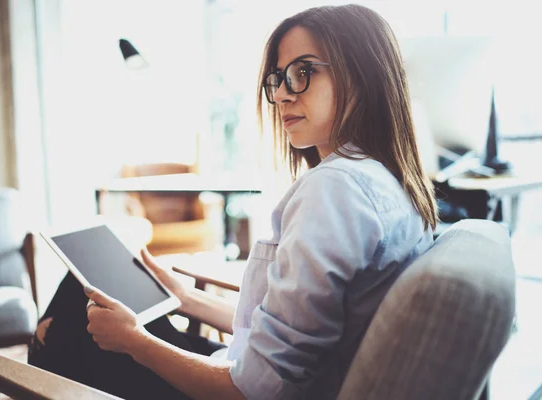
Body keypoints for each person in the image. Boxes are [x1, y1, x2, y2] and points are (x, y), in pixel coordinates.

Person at [29, 4, 438, 399]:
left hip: (225, 388)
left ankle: (32, 365)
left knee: (71, 310)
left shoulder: (334, 191)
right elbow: (291, 338)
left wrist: (134, 341)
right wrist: (186, 298)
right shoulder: (390, 183)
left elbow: (254, 389)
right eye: (278, 79)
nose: (280, 95)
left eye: (302, 72)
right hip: (239, 368)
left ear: (362, 75)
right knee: (86, 297)